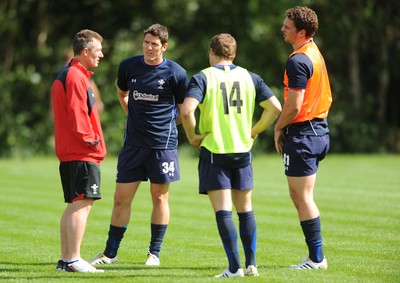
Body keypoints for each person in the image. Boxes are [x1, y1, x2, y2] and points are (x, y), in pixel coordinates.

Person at [181, 33, 282, 278]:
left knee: (223, 211)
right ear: (234, 54)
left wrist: (193, 136)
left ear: (211, 52)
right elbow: (275, 108)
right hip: (242, 151)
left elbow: (186, 111)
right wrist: (255, 131)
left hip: (215, 151)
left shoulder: (203, 77)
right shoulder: (251, 77)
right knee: (245, 209)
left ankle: (234, 267)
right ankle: (251, 265)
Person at [90, 23, 188, 267]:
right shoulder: (129, 66)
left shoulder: (176, 73)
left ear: (164, 47)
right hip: (133, 145)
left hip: (162, 146)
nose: (148, 48)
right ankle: (109, 254)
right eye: (146, 42)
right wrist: (130, 113)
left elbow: (182, 110)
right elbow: (122, 92)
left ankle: (154, 253)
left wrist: (165, 127)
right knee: (121, 198)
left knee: (159, 198)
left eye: (154, 44)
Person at [274, 6, 333, 270]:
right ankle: (316, 257)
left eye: (287, 26)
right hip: (317, 130)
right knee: (301, 196)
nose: (283, 29)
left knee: (302, 197)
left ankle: (317, 259)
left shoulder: (298, 60)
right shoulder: (313, 52)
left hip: (304, 133)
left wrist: (278, 127)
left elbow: (295, 105)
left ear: (302, 32)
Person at [51, 29, 106, 273]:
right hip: (81, 151)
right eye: (98, 50)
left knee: (75, 203)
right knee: (82, 203)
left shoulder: (70, 74)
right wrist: (91, 140)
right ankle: (73, 259)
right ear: (85, 52)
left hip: (73, 151)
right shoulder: (75, 76)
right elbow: (76, 114)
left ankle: (65, 261)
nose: (101, 54)